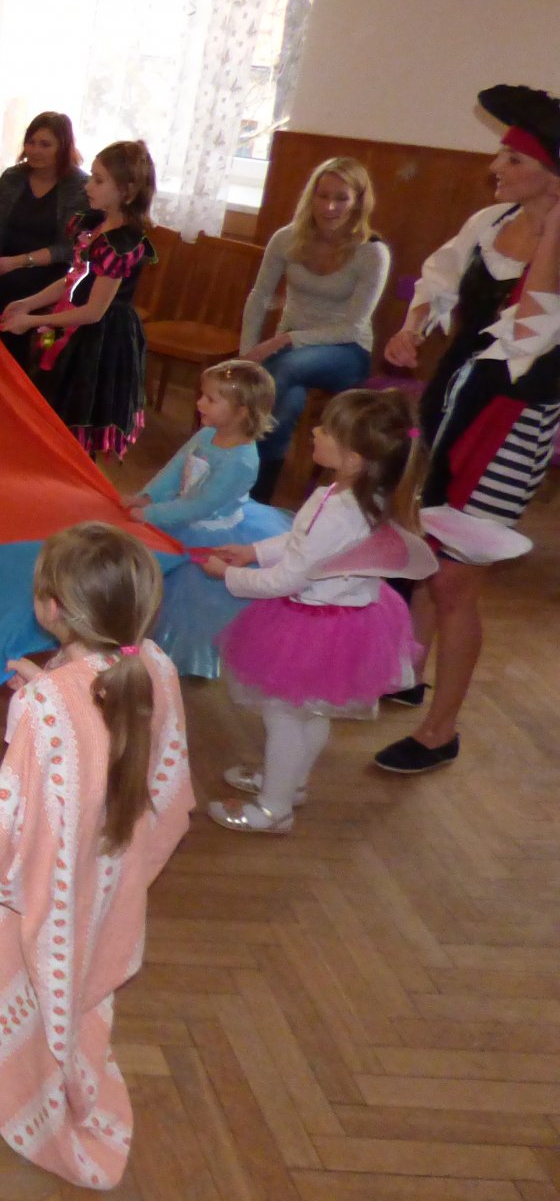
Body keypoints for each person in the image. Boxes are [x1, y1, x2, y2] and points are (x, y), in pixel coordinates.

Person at [0, 522, 192, 1191]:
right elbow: (156, 771)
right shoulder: (152, 665)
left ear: (52, 609)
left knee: (17, 972)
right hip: (108, 872)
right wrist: (53, 679)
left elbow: (17, 827)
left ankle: (13, 1081)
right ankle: (54, 1056)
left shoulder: (44, 708)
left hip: (47, 885)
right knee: (75, 969)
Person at [374, 84, 560, 776]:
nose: (495, 168)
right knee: (433, 546)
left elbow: (531, 337)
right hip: (453, 401)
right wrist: (414, 325)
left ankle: (440, 731)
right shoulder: (491, 220)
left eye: (514, 160)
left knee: (456, 580)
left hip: (509, 424)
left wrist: (555, 228)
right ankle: (407, 673)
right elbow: (443, 277)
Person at [199, 389, 436, 831]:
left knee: (284, 715)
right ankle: (290, 783)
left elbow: (288, 579)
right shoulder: (350, 494)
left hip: (314, 622)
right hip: (344, 618)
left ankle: (273, 809)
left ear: (353, 459)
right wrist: (253, 552)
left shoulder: (342, 512)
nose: (315, 431)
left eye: (327, 431)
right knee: (309, 711)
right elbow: (301, 543)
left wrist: (228, 575)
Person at [239, 157, 392, 501]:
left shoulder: (372, 252)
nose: (329, 207)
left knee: (283, 370)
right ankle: (257, 494)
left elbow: (352, 326)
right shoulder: (286, 238)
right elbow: (260, 296)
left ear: (359, 202)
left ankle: (235, 456)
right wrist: (247, 353)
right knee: (287, 401)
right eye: (323, 196)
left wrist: (286, 339)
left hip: (346, 351)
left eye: (341, 198)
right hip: (289, 349)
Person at [0, 141, 158, 459]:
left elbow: (94, 312)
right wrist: (29, 303)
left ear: (126, 190)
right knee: (54, 410)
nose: (88, 186)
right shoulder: (93, 226)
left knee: (79, 415)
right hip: (72, 325)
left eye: (98, 180)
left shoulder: (121, 244)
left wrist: (34, 320)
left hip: (100, 340)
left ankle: (72, 476)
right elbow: (73, 279)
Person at [135, 360, 293, 677]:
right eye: (202, 395)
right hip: (180, 516)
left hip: (211, 534)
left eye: (210, 399)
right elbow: (174, 471)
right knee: (153, 583)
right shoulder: (207, 434)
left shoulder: (241, 461)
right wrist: (148, 496)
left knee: (192, 605)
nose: (199, 403)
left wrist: (149, 515)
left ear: (242, 411)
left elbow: (200, 506)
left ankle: (179, 658)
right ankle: (144, 640)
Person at [0, 110, 89, 321]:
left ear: (63, 148)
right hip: (4, 255)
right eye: (31, 142)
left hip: (47, 265)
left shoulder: (79, 186)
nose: (35, 150)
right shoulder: (13, 176)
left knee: (8, 286)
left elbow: (66, 248)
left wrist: (14, 263)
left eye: (45, 145)